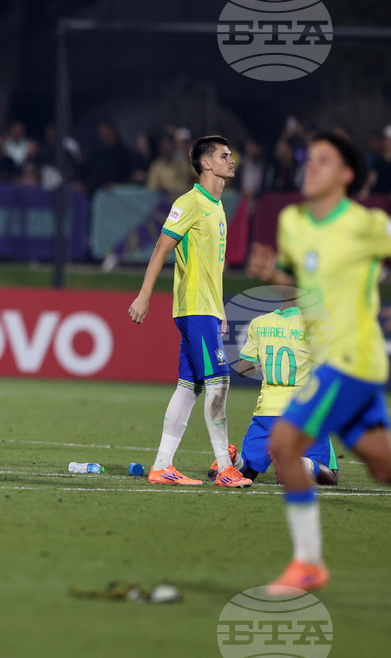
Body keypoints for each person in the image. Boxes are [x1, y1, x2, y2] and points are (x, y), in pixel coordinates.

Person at [248, 131, 391, 593]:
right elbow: (304, 284)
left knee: (284, 444)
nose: (311, 166)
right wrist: (272, 274)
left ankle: (308, 564)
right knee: (387, 468)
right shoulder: (292, 223)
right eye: (310, 158)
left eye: (324, 160)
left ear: (346, 174)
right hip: (331, 362)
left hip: (353, 358)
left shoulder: (366, 224)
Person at [128, 136, 251, 487]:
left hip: (206, 308)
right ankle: (225, 468)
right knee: (219, 382)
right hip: (194, 307)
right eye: (224, 156)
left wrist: (219, 308)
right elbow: (160, 248)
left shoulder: (217, 205)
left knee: (190, 387)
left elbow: (213, 266)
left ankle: (162, 466)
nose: (231, 160)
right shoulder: (190, 203)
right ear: (206, 164)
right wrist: (144, 295)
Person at [208, 296, 338, 486]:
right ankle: (293, 461)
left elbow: (243, 369)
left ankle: (233, 459)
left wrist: (265, 361)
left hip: (267, 411)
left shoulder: (260, 323)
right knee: (331, 475)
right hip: (303, 409)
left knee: (248, 471)